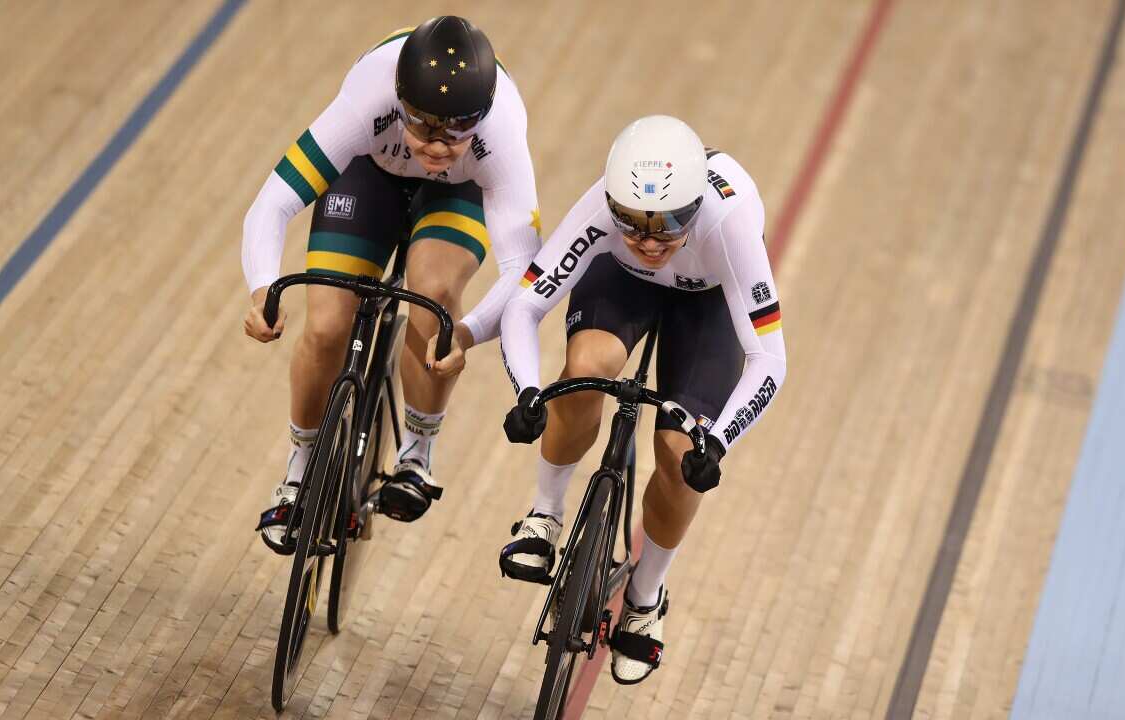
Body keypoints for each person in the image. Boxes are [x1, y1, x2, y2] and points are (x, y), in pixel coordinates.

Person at [497, 115, 787, 684]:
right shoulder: (601, 209)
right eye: (632, 226)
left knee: (682, 459)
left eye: (667, 229)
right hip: (620, 283)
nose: (650, 243)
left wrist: (719, 441)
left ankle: (646, 598)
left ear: (697, 208)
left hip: (704, 306)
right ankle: (545, 514)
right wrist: (529, 391)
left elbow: (770, 359)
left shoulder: (727, 225)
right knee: (583, 371)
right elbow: (524, 304)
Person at [241, 16, 541, 552]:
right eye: (423, 125)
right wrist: (263, 286)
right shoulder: (367, 99)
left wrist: (467, 333)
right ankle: (300, 467)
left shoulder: (501, 135)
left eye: (456, 131)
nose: (438, 144)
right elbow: (274, 201)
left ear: (482, 118)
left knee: (435, 300)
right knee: (327, 326)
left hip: (458, 194)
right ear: (400, 101)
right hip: (369, 173)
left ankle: (418, 451)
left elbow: (526, 273)